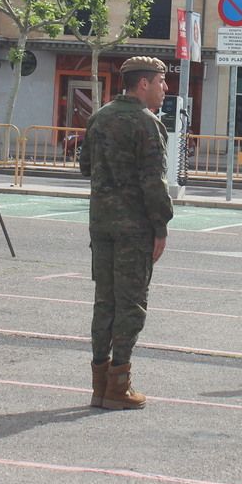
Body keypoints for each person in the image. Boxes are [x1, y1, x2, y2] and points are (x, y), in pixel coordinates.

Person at [79, 56, 174, 410]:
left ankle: (99, 384)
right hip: (134, 228)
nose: (165, 89)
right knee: (131, 304)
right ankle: (119, 384)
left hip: (101, 224)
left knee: (105, 301)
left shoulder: (98, 117)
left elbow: (85, 166)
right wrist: (160, 226)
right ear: (143, 84)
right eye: (161, 82)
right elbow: (154, 182)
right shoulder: (147, 124)